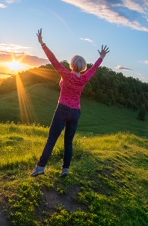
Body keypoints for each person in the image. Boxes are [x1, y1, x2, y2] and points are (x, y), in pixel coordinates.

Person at [31, 28, 109, 177]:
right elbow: (94, 69)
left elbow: (53, 59)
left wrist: (42, 44)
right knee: (68, 142)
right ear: (82, 67)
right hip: (76, 112)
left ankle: (41, 167)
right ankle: (65, 169)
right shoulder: (84, 78)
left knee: (52, 139)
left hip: (63, 110)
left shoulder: (66, 75)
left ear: (72, 64)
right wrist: (101, 58)